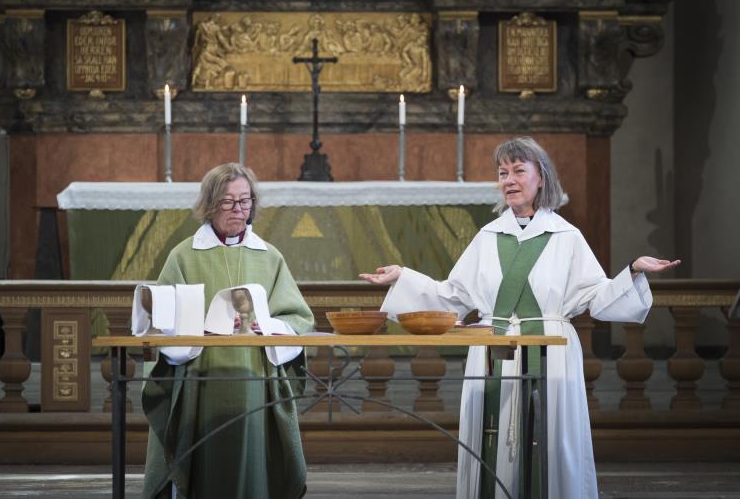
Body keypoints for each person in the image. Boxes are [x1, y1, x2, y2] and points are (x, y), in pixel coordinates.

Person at [360, 136, 679, 499]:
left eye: (518, 171)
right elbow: (452, 296)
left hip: (550, 353)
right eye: (502, 172)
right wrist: (403, 275)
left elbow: (597, 298)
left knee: (551, 441)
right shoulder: (488, 236)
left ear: (540, 177)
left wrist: (632, 271)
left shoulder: (566, 237)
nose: (509, 180)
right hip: (494, 351)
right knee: (494, 440)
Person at [142, 163, 314, 499]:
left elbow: (298, 320)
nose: (239, 210)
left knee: (251, 467)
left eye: (245, 201)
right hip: (200, 384)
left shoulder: (269, 258)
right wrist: (206, 324)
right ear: (210, 203)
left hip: (254, 383)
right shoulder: (184, 256)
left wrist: (268, 324)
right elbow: (160, 322)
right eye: (228, 202)